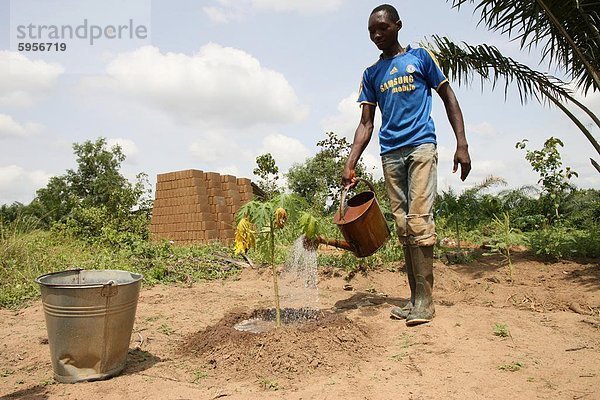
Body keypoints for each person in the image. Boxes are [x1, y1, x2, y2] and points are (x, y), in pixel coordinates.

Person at [342, 4, 471, 326]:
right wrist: (350, 162)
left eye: (382, 28)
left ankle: (425, 302)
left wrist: (462, 144)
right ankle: (414, 299)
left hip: (421, 147)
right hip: (391, 154)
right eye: (371, 31)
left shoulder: (420, 58)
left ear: (398, 26)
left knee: (419, 221)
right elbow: (366, 123)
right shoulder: (371, 74)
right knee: (403, 226)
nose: (376, 35)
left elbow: (448, 97)